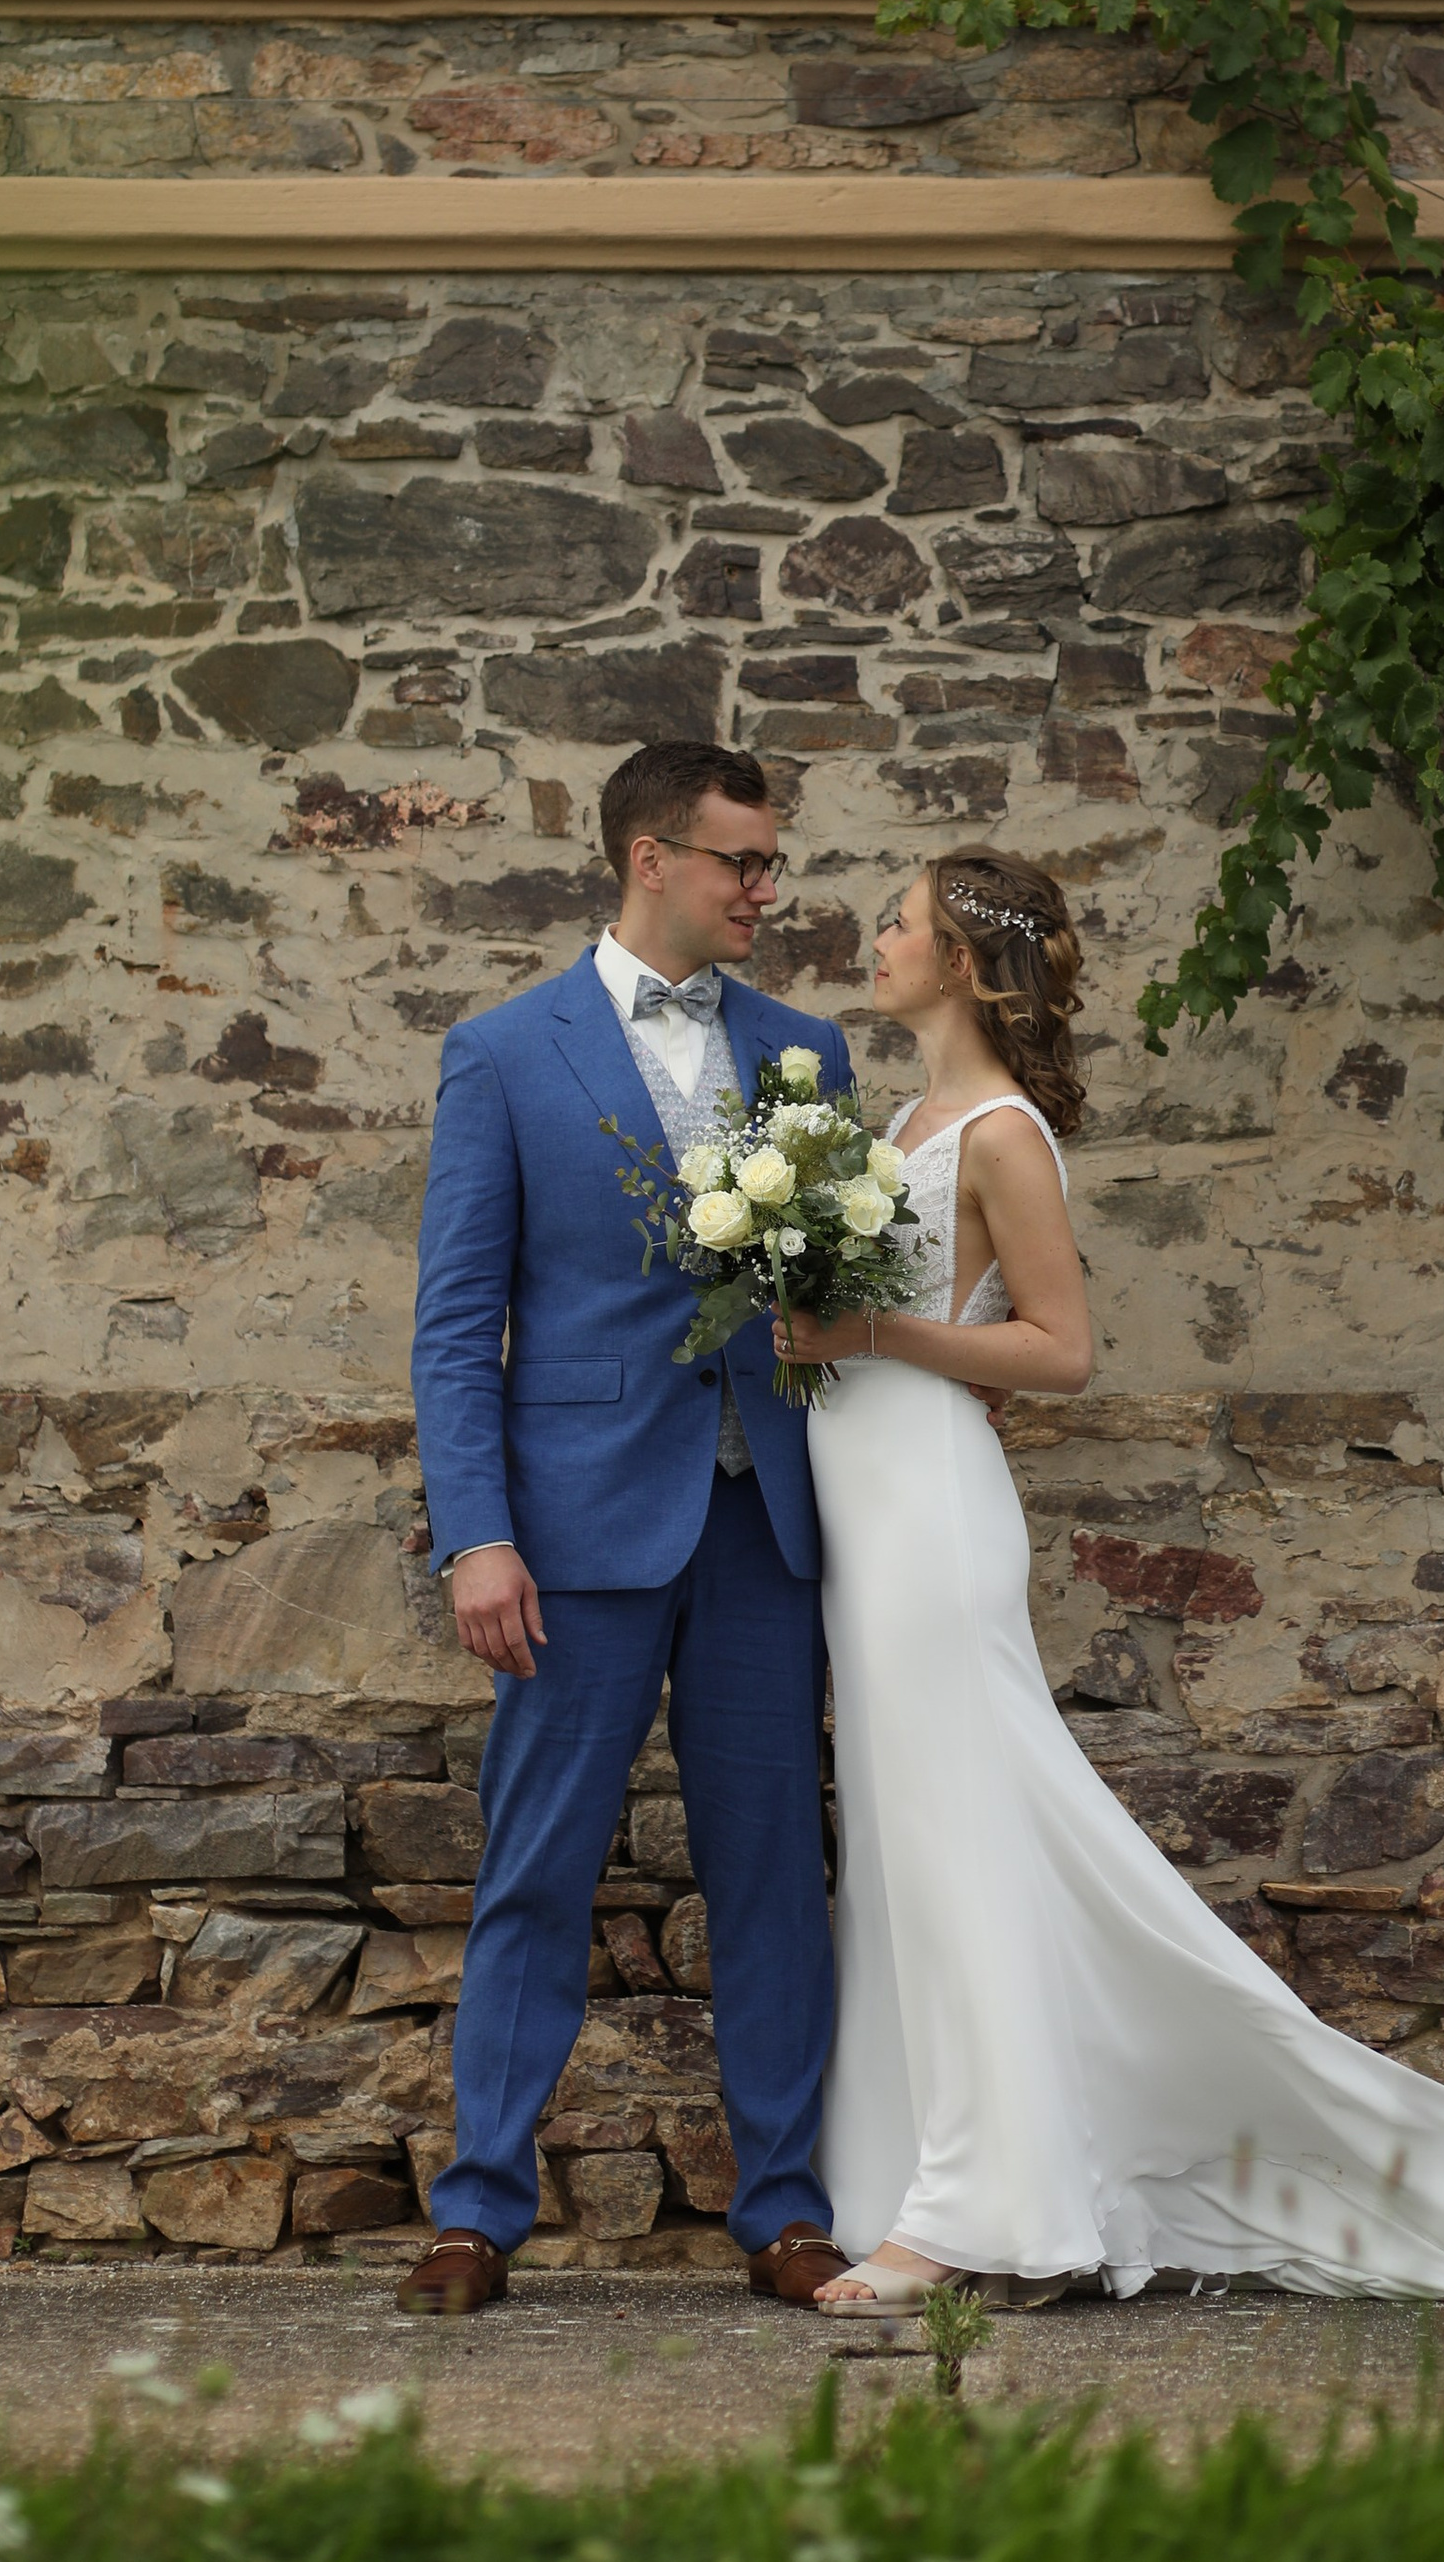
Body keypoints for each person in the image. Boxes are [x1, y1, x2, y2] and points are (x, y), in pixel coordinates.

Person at [774, 850, 1444, 2314]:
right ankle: (929, 2169)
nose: (880, 936)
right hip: (867, 1512)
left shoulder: (998, 1131)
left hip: (929, 1513)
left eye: (902, 920)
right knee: (916, 1848)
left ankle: (985, 2210)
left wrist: (870, 1331)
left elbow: (1060, 1348)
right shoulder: (902, 1116)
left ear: (968, 963)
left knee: (963, 1836)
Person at [402, 741, 859, 2316]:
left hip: (762, 1521)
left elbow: (833, 1292)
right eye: (741, 861)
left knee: (773, 1877)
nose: (763, 889)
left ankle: (786, 2210)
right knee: (535, 1866)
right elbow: (458, 1323)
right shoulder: (504, 1052)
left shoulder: (808, 1051)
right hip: (573, 1532)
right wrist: (477, 1535)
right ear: (648, 858)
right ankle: (477, 2209)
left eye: (770, 861)